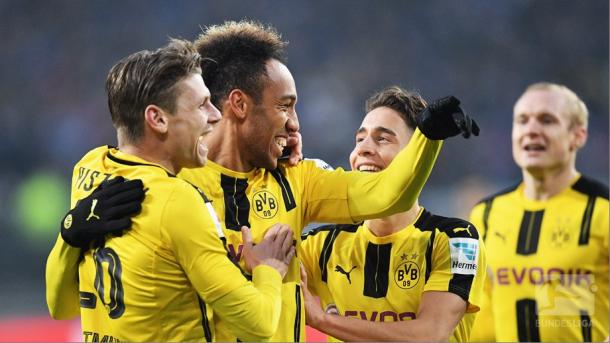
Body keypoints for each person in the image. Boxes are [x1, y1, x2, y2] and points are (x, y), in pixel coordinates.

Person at [48, 20, 480, 342]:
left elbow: (388, 193)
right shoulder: (170, 184)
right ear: (238, 104)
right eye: (285, 106)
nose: (294, 122)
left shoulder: (298, 179)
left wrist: (426, 136)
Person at [45, 39, 297, 342]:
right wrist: (269, 269)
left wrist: (68, 237)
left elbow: (61, 307)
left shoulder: (90, 169)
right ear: (158, 119)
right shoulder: (177, 200)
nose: (216, 115)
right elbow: (258, 326)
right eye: (202, 105)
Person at [298, 86, 486, 342]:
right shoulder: (322, 245)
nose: (363, 149)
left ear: (414, 157)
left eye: (382, 139)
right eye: (359, 139)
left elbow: (428, 336)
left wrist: (322, 320)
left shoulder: (455, 239)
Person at [469, 82, 608, 342]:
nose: (531, 130)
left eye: (547, 120)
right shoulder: (485, 214)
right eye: (522, 121)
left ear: (578, 136)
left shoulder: (603, 210)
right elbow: (481, 317)